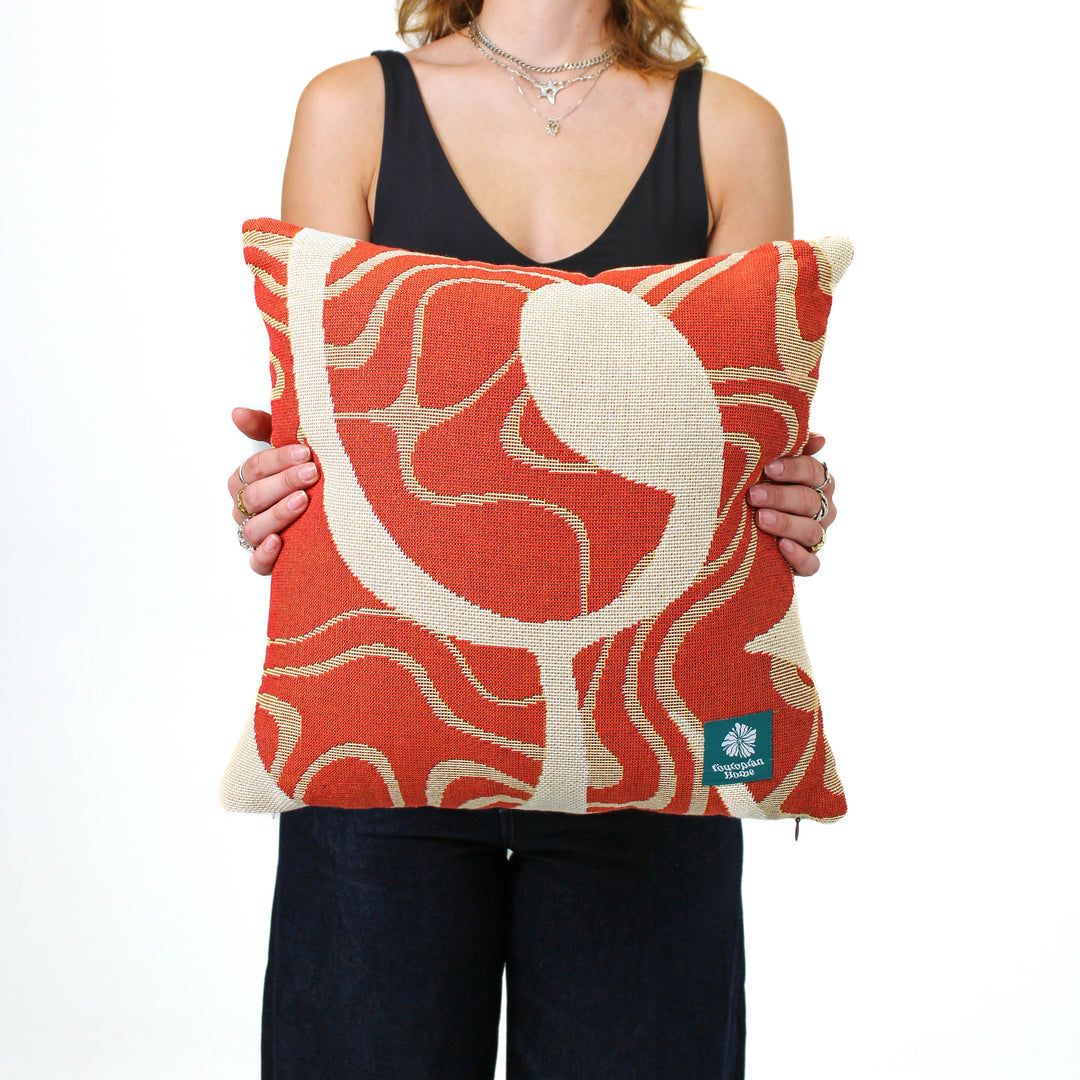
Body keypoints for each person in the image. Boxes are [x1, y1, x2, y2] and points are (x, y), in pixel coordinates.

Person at [227, 3, 839, 1076]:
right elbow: (323, 427)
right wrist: (275, 486)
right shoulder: (351, 113)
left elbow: (741, 430)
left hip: (650, 742)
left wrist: (789, 495)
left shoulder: (733, 131)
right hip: (387, 741)